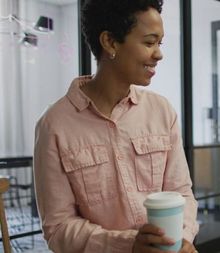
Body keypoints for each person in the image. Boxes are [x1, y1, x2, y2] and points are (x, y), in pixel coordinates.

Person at [33, 0, 198, 252]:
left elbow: (182, 193)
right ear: (110, 42)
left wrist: (179, 241)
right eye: (149, 42)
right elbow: (58, 227)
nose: (159, 53)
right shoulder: (54, 126)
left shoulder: (162, 112)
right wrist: (128, 245)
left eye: (159, 43)